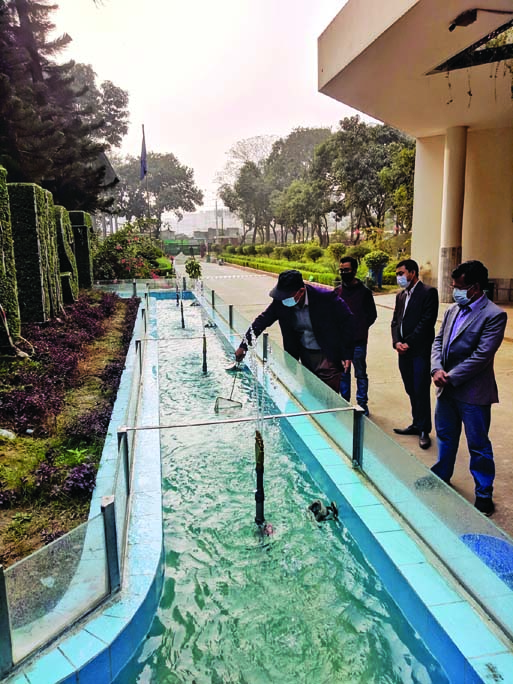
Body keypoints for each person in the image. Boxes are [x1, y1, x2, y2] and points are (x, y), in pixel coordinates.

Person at [430, 260, 507, 516]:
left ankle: (483, 493)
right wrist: (436, 368)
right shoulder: (453, 310)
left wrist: (449, 376)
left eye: (459, 287)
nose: (455, 291)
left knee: (478, 445)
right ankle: (442, 473)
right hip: (446, 387)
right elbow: (438, 340)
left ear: (475, 287)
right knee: (446, 435)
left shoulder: (494, 315)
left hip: (473, 392)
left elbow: (482, 355)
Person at [235, 270, 354, 392]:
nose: (283, 300)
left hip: (327, 354)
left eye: (287, 297)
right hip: (305, 354)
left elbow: (348, 321)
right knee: (313, 393)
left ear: (301, 292)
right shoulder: (281, 302)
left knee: (329, 397)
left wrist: (347, 353)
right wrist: (244, 345)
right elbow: (262, 321)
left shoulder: (325, 298)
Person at [391, 258, 439, 449]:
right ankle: (416, 422)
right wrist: (396, 342)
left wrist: (408, 342)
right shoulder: (401, 295)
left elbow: (427, 322)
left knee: (420, 389)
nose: (399, 277)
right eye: (397, 274)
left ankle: (424, 430)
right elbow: (395, 321)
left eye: (401, 273)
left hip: (419, 351)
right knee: (410, 388)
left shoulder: (428, 293)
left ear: (412, 272)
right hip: (403, 352)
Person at [335, 256, 377, 415]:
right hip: (342, 343)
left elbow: (372, 315)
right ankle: (344, 404)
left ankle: (362, 404)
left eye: (346, 270)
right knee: (343, 374)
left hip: (358, 342)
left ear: (354, 270)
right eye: (341, 270)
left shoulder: (364, 292)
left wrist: (360, 328)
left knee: (360, 373)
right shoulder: (337, 292)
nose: (343, 272)